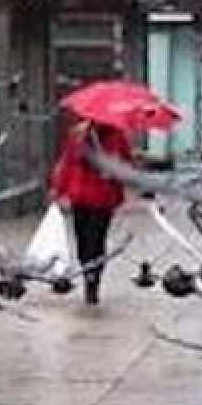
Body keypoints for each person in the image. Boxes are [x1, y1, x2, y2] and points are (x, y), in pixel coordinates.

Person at [48, 119, 132, 305]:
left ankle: (92, 282)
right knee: (82, 241)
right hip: (79, 195)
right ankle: (88, 271)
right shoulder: (78, 133)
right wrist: (58, 188)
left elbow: (126, 163)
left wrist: (115, 169)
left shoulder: (117, 136)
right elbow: (67, 161)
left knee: (96, 240)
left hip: (103, 198)